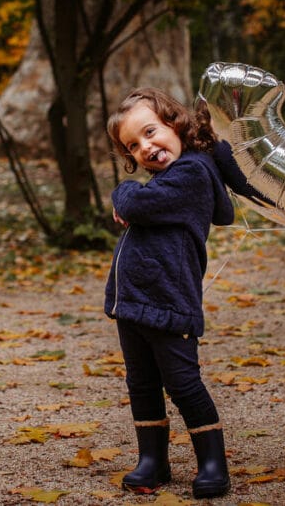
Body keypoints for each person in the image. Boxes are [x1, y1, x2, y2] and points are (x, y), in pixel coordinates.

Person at [104, 87, 235, 499]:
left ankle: (212, 462)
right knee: (141, 383)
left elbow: (137, 205)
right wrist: (133, 197)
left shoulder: (192, 174)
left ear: (175, 123)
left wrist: (122, 194)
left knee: (183, 383)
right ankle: (153, 460)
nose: (145, 147)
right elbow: (143, 206)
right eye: (133, 145)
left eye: (149, 132)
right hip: (134, 302)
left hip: (168, 300)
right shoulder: (167, 180)